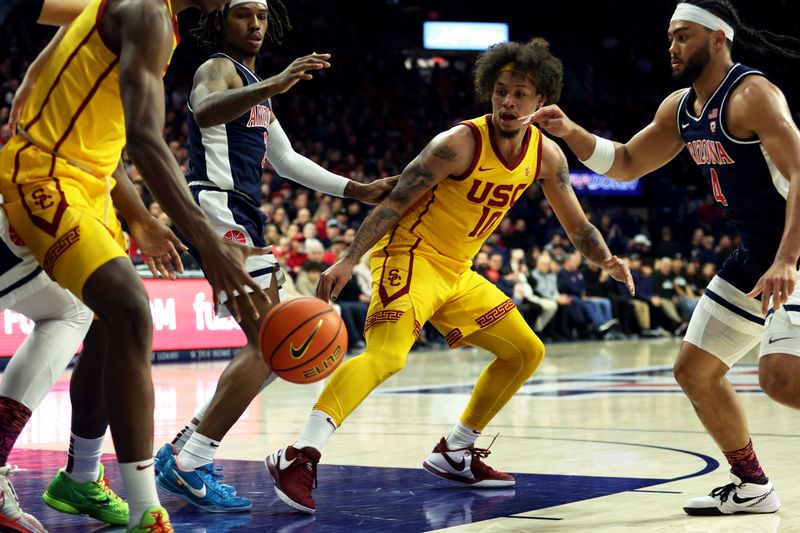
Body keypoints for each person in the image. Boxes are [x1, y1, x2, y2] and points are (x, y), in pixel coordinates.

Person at [266, 37, 634, 514]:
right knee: (387, 357)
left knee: (525, 351)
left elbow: (578, 225)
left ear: (541, 100)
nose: (507, 101)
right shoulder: (457, 143)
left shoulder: (548, 155)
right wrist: (350, 257)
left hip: (457, 271)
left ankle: (456, 451)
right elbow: (395, 202)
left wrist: (606, 260)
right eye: (500, 90)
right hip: (410, 257)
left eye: (520, 93)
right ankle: (299, 454)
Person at [0, 0, 274, 529]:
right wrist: (209, 246)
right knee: (127, 309)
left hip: (90, 183)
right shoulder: (147, 12)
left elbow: (106, 136)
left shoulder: (150, 18)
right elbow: (147, 142)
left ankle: (81, 477)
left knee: (97, 318)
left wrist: (141, 219)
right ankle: (148, 510)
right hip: (45, 176)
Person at [531, 0, 800, 516]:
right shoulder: (680, 108)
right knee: (694, 371)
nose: (672, 47)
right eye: (670, 38)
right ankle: (752, 486)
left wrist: (787, 259)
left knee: (782, 380)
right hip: (754, 254)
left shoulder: (753, 95)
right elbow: (628, 162)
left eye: (683, 37)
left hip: (794, 245)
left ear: (718, 39)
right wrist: (570, 132)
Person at [150, 0, 394, 512]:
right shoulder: (216, 68)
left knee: (266, 350)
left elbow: (285, 161)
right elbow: (206, 108)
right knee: (270, 345)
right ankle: (192, 462)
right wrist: (274, 84)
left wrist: (359, 190)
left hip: (240, 213)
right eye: (243, 14)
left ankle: (185, 450)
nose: (255, 23)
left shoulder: (255, 91)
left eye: (261, 15)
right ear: (222, 21)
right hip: (218, 205)